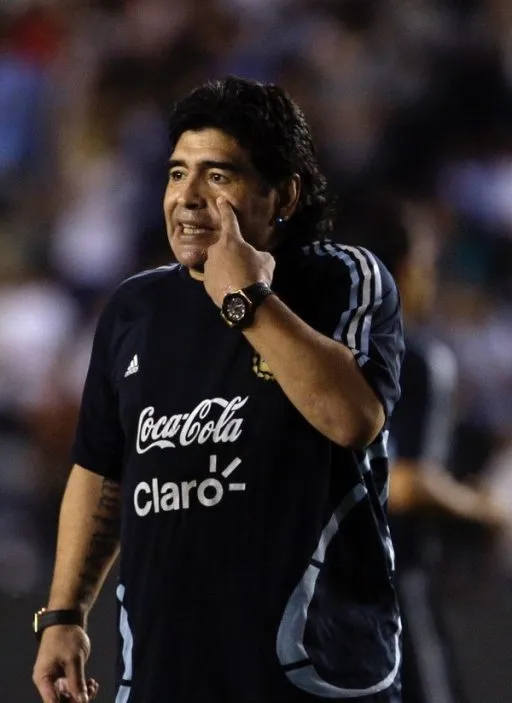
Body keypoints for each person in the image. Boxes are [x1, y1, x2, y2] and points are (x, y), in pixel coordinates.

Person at [31, 76, 405, 703]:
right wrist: (64, 615)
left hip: (314, 675)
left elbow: (352, 417)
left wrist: (245, 299)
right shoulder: (135, 308)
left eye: (219, 175)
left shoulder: (342, 278)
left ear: (282, 194)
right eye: (178, 174)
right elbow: (100, 470)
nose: (188, 198)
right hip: (162, 674)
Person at [339, 192, 508, 703]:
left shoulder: (302, 357)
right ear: (405, 270)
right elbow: (407, 482)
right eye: (429, 262)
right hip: (390, 596)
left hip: (307, 602)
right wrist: (482, 507)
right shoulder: (415, 360)